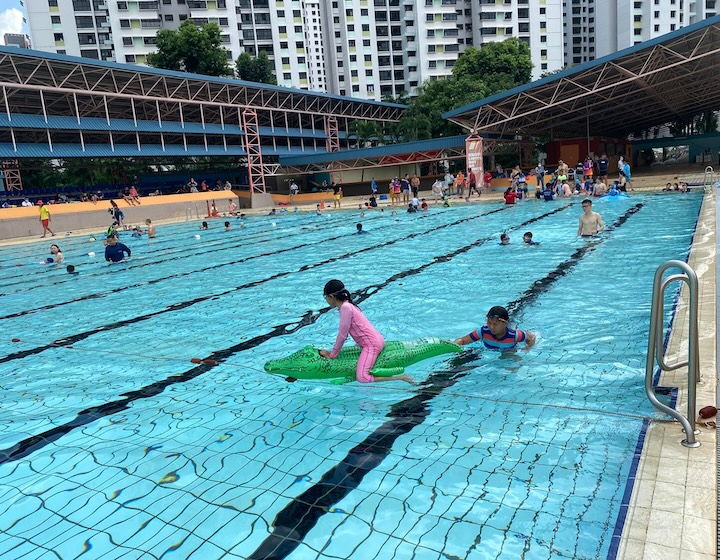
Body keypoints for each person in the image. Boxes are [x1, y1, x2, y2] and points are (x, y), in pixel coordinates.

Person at [319, 279, 415, 384]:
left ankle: (401, 377)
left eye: (325, 297)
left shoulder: (345, 308)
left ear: (331, 296)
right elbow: (361, 328)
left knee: (363, 378)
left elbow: (342, 335)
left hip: (372, 345)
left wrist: (333, 355)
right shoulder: (349, 305)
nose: (326, 300)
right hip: (374, 340)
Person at [453, 305, 536, 351]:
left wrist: (527, 349)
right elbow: (462, 340)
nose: (491, 327)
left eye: (495, 324)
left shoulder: (515, 335)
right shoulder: (483, 331)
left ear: (505, 324)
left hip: (509, 350)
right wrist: (454, 345)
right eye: (489, 323)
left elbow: (532, 338)